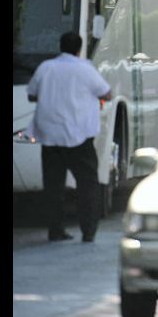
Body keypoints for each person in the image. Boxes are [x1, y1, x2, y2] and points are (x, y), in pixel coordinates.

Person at [26, 32, 111, 243]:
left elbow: (31, 94)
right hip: (79, 135)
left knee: (53, 186)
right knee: (87, 184)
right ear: (79, 48)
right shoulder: (85, 69)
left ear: (60, 46)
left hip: (50, 135)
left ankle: (55, 230)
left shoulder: (46, 67)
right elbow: (106, 94)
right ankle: (88, 231)